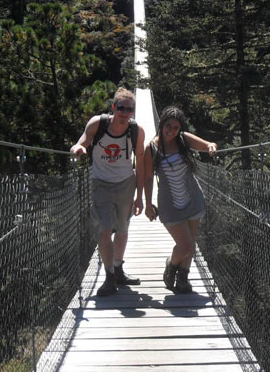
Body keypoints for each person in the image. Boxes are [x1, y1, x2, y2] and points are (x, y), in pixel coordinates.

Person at [71, 87, 144, 296]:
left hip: (125, 183)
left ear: (133, 111)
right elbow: (83, 140)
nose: (124, 112)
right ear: (113, 107)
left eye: (129, 109)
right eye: (120, 108)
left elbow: (141, 163)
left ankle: (119, 268)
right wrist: (78, 148)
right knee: (104, 229)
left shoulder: (136, 130)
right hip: (101, 182)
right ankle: (109, 276)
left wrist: (140, 197)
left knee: (122, 229)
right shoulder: (98, 123)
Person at [140, 106, 217, 294]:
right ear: (161, 124)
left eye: (175, 127)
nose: (171, 131)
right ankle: (171, 266)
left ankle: (183, 279)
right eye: (168, 126)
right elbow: (148, 177)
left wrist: (211, 147)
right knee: (186, 245)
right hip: (169, 204)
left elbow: (207, 144)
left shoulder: (183, 139)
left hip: (193, 199)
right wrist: (148, 204)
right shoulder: (151, 148)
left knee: (190, 242)